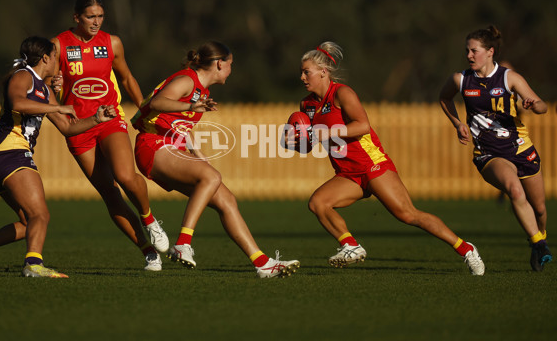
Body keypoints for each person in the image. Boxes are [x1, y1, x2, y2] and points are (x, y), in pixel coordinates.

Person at [287, 41, 485, 275]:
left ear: (323, 71)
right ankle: (351, 246)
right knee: (317, 203)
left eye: (306, 72)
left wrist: (327, 132)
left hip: (372, 164)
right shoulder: (306, 105)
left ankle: (466, 249)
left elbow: (362, 126)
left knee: (408, 215)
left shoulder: (342, 93)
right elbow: (309, 145)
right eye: (301, 72)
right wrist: (297, 142)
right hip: (347, 173)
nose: (302, 77)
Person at [132, 41, 300, 278]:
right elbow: (157, 103)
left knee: (226, 199)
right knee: (211, 177)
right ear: (220, 63)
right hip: (153, 144)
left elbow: (181, 127)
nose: (231, 70)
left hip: (170, 145)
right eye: (230, 65)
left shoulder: (203, 91)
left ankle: (262, 263)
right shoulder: (188, 80)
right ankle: (183, 244)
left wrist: (200, 156)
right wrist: (191, 105)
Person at [0, 36, 117, 277]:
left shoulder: (43, 87)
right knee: (40, 215)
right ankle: (33, 265)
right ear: (45, 58)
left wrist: (96, 119)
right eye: (55, 57)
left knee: (29, 223)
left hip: (3, 157)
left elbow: (66, 127)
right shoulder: (23, 75)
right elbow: (18, 103)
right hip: (9, 152)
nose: (58, 62)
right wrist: (57, 106)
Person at [50, 0, 168, 271]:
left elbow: (126, 77)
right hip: (79, 127)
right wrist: (56, 89)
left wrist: (143, 108)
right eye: (90, 16)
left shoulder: (111, 42)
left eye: (100, 16)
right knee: (109, 193)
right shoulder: (59, 44)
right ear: (76, 17)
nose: (96, 22)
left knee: (126, 176)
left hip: (109, 118)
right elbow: (48, 84)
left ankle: (150, 219)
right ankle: (148, 250)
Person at [439, 25, 551, 271]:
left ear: (490, 52)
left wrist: (534, 104)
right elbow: (444, 97)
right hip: (488, 154)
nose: (469, 56)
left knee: (540, 208)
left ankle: (539, 241)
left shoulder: (510, 78)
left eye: (474, 51)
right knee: (515, 190)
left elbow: (543, 106)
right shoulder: (461, 79)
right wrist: (457, 123)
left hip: (521, 149)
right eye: (467, 51)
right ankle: (537, 242)